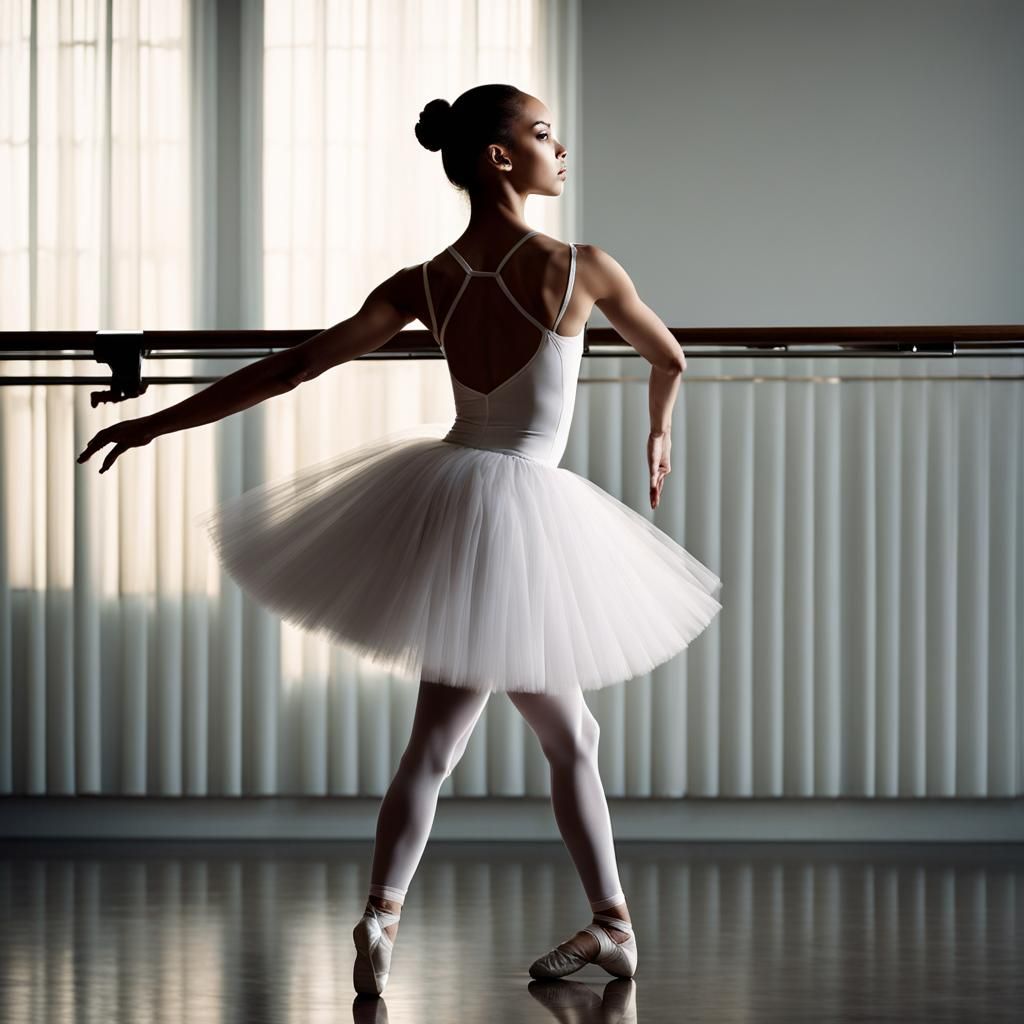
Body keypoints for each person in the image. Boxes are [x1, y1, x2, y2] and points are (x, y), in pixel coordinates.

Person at [76, 84, 722, 998]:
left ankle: (451, 916)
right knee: (526, 738)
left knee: (494, 737)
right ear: (502, 157)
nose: (560, 151)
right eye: (544, 136)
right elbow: (671, 356)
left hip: (454, 505)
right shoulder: (582, 267)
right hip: (531, 520)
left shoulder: (426, 282)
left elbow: (294, 367)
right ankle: (531, 920)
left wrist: (154, 427)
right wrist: (659, 433)